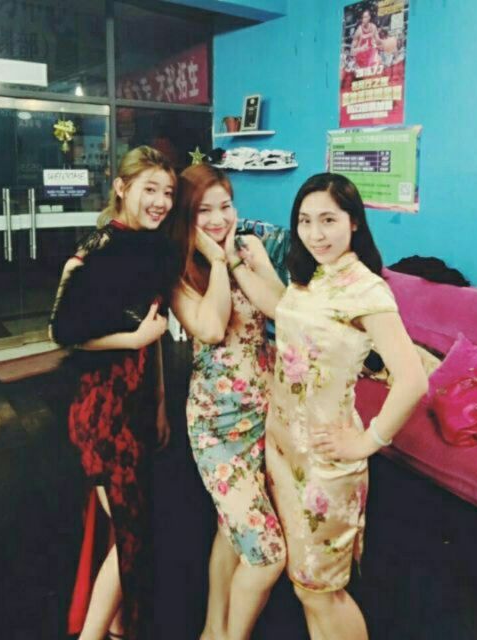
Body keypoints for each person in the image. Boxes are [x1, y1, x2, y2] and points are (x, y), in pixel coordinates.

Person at [265, 173, 428, 640]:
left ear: (354, 222)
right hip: (284, 450)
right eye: (305, 221)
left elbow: (412, 379)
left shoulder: (367, 289)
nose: (315, 234)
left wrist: (366, 442)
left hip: (326, 461)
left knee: (322, 590)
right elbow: (283, 314)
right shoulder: (311, 277)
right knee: (305, 585)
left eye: (329, 220)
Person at [50, 146, 178, 640]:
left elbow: (155, 332)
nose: (161, 201)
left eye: (168, 192)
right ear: (122, 188)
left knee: (128, 527)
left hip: (138, 407)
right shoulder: (98, 248)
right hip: (101, 412)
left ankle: (121, 627)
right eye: (150, 189)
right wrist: (133, 339)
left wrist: (160, 402)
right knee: (132, 534)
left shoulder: (154, 248)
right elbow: (61, 332)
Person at [168, 164, 286, 640]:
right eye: (205, 211)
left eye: (225, 207)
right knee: (267, 554)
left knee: (229, 529)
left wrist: (237, 258)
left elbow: (282, 308)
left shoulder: (250, 250)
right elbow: (212, 328)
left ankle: (213, 629)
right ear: (187, 216)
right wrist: (217, 262)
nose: (219, 219)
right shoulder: (178, 272)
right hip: (216, 427)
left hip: (264, 415)